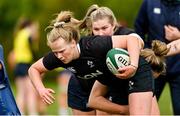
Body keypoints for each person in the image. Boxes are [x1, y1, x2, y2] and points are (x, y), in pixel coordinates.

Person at [28, 10, 160, 115]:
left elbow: (132, 40)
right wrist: (41, 89)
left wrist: (133, 65)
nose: (59, 56)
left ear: (73, 42)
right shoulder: (58, 56)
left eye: (61, 51)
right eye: (55, 52)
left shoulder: (94, 45)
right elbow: (33, 69)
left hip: (135, 70)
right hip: (102, 82)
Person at [55, 4, 137, 115]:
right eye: (96, 29)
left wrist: (134, 64)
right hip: (81, 87)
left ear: (113, 25)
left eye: (104, 28)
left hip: (104, 89)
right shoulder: (89, 42)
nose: (100, 33)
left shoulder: (124, 34)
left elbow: (137, 40)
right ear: (91, 29)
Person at [134, 0, 180, 114]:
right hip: (153, 67)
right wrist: (147, 54)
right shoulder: (149, 3)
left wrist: (178, 36)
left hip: (178, 68)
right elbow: (138, 30)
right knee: (146, 108)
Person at [10, 18, 39, 115]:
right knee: (31, 92)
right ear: (30, 25)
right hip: (26, 65)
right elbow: (33, 51)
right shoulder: (28, 33)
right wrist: (38, 63)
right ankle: (32, 113)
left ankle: (19, 113)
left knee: (21, 93)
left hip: (18, 66)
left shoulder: (18, 34)